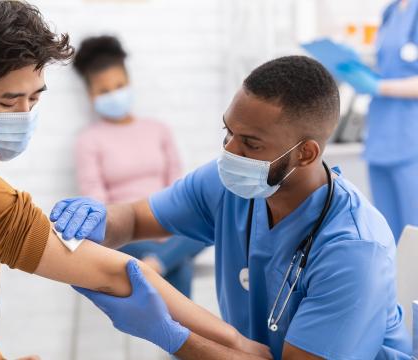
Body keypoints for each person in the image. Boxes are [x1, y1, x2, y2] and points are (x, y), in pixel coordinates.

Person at [0, 1, 271, 359]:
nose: (25, 116)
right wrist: (235, 344)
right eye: (9, 101)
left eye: (34, 98)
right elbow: (116, 272)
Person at [52, 56, 412, 359]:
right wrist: (100, 219)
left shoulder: (353, 250)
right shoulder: (227, 184)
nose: (229, 152)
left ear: (306, 153)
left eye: (250, 144)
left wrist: (172, 336)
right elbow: (133, 219)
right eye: (228, 133)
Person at [72, 35, 206, 297]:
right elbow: (97, 203)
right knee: (182, 266)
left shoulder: (158, 130)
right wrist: (139, 227)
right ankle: (165, 265)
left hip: (169, 222)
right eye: (104, 91)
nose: (114, 95)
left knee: (208, 223)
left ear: (130, 83)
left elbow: (177, 186)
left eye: (119, 86)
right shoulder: (88, 141)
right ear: (91, 95)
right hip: (125, 234)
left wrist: (166, 225)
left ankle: (155, 266)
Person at [335, 0, 418, 241]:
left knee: (414, 234)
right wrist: (358, 71)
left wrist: (378, 86)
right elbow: (389, 66)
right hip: (382, 137)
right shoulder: (391, 11)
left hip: (411, 140)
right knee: (388, 235)